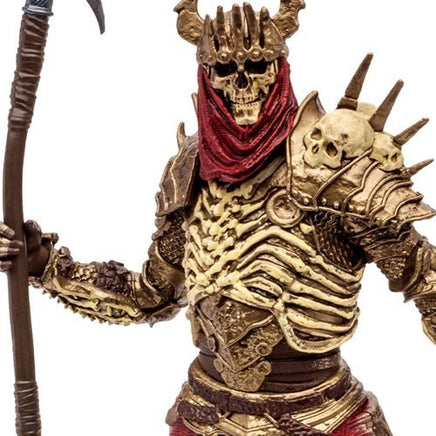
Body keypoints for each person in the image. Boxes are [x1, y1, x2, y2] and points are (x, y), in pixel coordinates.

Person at [1, 2, 435, 435]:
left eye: (258, 67)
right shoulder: (192, 169)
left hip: (321, 419)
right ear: (205, 76)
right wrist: (44, 266)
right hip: (207, 416)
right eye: (224, 70)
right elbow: (151, 295)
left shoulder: (335, 167)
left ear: (280, 69)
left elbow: (427, 281)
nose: (242, 85)